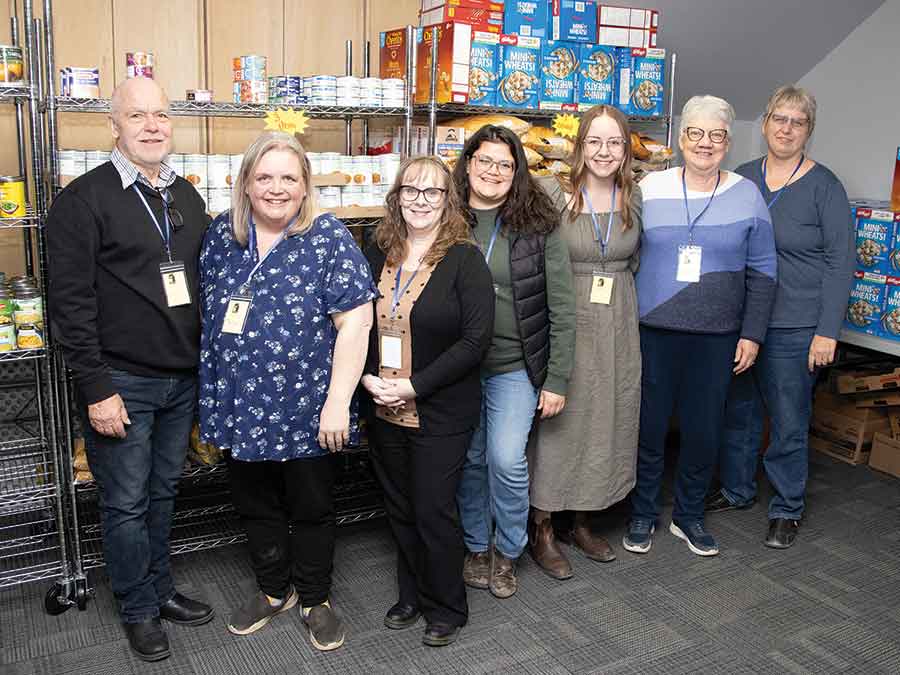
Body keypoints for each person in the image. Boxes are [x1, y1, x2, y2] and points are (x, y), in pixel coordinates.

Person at [46, 78, 213, 662]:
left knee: (164, 490)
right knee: (124, 502)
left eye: (161, 115)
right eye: (137, 115)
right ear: (111, 125)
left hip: (180, 378)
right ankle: (138, 608)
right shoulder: (83, 200)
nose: (152, 125)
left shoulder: (185, 196)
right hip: (122, 382)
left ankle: (161, 588)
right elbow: (68, 304)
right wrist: (96, 388)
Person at [198, 131, 375, 652]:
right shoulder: (220, 237)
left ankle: (316, 598)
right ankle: (274, 590)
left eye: (289, 178)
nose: (277, 188)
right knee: (254, 503)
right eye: (265, 177)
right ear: (246, 184)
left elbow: (356, 323)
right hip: (240, 404)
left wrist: (338, 402)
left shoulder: (328, 238)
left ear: (305, 186)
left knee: (312, 505)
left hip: (309, 406)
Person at [625, 95, 777, 558]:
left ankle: (688, 516)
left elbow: (764, 268)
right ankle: (643, 513)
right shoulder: (649, 187)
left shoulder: (747, 193)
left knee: (703, 429)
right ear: (679, 139)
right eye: (695, 133)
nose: (704, 143)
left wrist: (751, 333)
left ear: (728, 142)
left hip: (717, 335)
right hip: (654, 329)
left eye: (716, 135)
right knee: (648, 427)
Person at [709, 86, 854, 549]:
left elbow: (840, 262)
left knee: (789, 417)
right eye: (779, 118)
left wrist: (826, 331)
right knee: (739, 410)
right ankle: (737, 489)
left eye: (798, 121)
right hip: (744, 320)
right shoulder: (743, 177)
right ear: (766, 123)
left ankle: (787, 506)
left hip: (796, 324)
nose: (786, 128)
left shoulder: (825, 187)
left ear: (809, 131)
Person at [361, 156, 494, 647]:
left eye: (432, 192)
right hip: (381, 403)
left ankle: (447, 606)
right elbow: (355, 327)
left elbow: (475, 342)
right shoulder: (376, 253)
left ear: (447, 200)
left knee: (433, 508)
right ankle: (411, 593)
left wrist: (415, 386)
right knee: (398, 506)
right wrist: (366, 379)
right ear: (396, 197)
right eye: (410, 190)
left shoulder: (464, 260)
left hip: (440, 407)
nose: (420, 200)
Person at [454, 125, 576, 598]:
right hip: (457, 369)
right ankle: (475, 547)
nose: (494, 171)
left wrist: (557, 377)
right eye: (485, 161)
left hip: (512, 365)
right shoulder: (446, 218)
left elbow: (562, 307)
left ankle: (507, 549)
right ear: (467, 164)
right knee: (470, 459)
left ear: (518, 172)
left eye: (505, 164)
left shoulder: (536, 225)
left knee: (505, 459)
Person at [528, 105, 642, 578]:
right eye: (594, 141)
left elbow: (637, 262)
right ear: (579, 147)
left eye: (613, 142)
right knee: (560, 420)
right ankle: (543, 525)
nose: (603, 151)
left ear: (626, 149)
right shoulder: (555, 194)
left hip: (618, 321)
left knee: (606, 417)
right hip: (567, 314)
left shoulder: (634, 199)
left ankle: (584, 518)